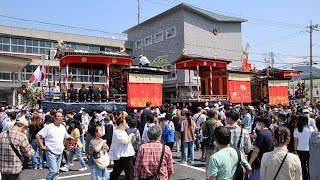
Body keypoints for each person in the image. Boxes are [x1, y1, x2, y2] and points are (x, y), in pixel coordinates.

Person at [35, 111, 72, 180]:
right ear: (54, 118)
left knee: (57, 172)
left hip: (60, 151)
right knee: (53, 171)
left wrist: (74, 139)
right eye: (58, 116)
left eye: (61, 116)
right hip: (50, 151)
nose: (60, 118)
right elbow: (38, 135)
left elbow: (66, 136)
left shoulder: (62, 127)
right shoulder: (49, 127)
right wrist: (42, 146)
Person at [202, 109, 223, 175]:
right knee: (216, 165)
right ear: (214, 115)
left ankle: (208, 178)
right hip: (216, 146)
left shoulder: (205, 123)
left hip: (207, 145)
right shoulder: (218, 124)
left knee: (208, 165)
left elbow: (203, 132)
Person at [294, 115, 314, 180]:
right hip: (309, 149)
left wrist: (295, 150)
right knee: (310, 165)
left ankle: (304, 178)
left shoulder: (296, 130)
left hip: (300, 149)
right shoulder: (311, 129)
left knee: (302, 166)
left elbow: (295, 142)